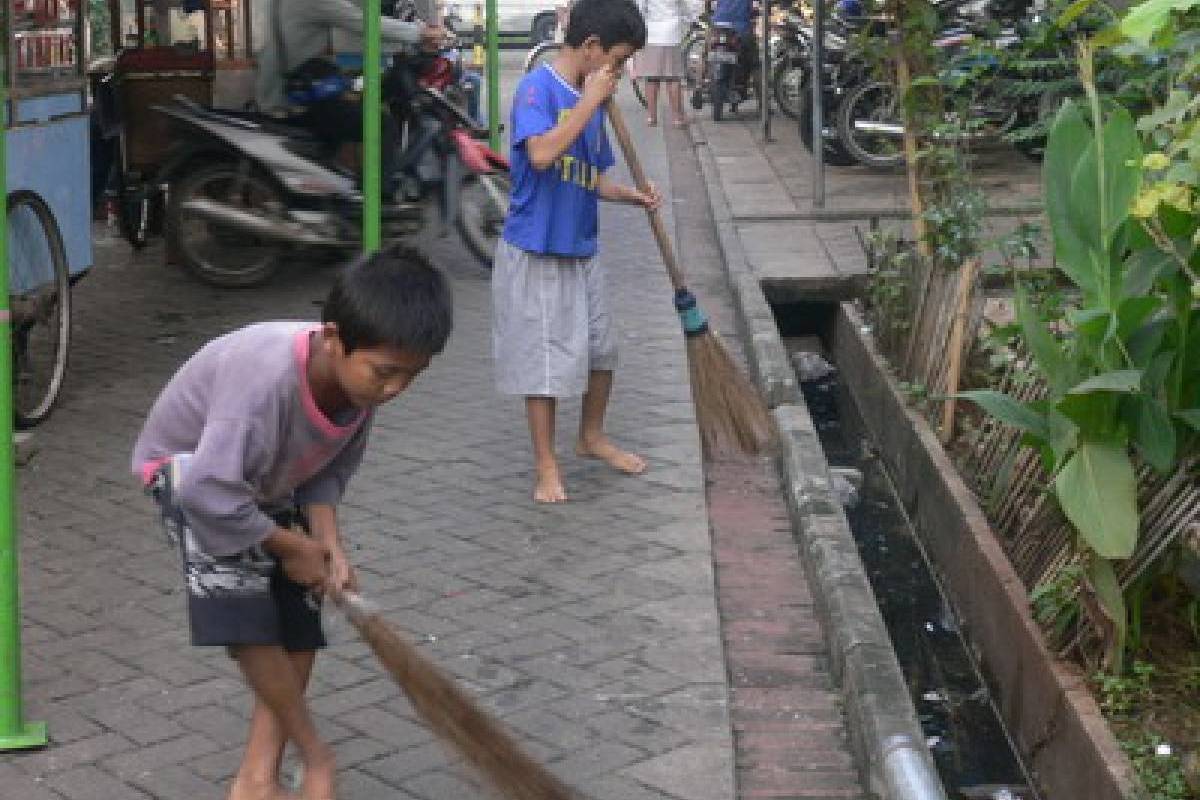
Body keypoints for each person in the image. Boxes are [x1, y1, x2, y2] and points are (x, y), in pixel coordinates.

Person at [131, 247, 453, 800]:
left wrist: (329, 544)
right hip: (192, 477)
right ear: (333, 338)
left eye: (411, 377)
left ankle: (256, 780)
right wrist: (285, 543)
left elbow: (325, 472)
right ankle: (315, 755)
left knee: (300, 617)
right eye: (386, 372)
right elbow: (209, 487)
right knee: (248, 618)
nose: (395, 390)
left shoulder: (359, 386)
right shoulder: (261, 381)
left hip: (258, 481)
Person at [493, 0, 661, 504]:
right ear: (591, 48)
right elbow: (543, 155)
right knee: (545, 365)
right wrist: (589, 102)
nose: (618, 71)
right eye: (617, 59)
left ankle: (591, 437)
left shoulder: (596, 100)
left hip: (581, 246)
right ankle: (546, 465)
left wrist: (631, 195)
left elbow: (590, 176)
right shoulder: (537, 90)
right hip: (538, 249)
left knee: (602, 350)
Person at [254, 0, 445, 192]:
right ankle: (373, 200)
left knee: (352, 111)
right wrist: (420, 33)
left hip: (300, 89)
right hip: (303, 98)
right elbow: (362, 21)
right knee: (383, 125)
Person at [636, 0, 695, 127]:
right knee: (673, 77)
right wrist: (691, 19)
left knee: (651, 78)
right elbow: (684, 7)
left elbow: (640, 8)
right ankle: (677, 118)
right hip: (672, 34)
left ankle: (651, 116)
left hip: (652, 33)